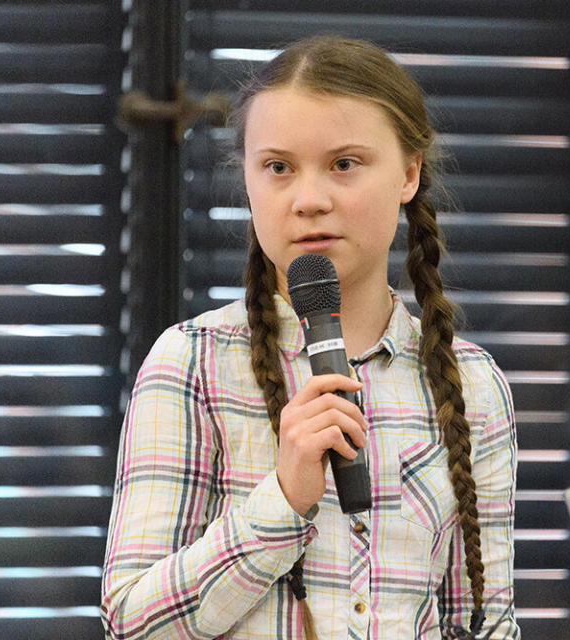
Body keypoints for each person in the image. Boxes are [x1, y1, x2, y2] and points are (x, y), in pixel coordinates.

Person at [101, 35, 519, 640]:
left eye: (344, 164)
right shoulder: (192, 363)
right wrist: (282, 499)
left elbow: (486, 624)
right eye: (278, 168)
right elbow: (131, 624)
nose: (309, 201)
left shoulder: (472, 385)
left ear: (408, 173)